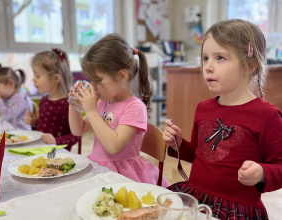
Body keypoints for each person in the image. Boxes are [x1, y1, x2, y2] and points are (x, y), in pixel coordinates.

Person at [163, 19, 282, 219]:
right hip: (196, 200)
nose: (208, 67)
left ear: (249, 65)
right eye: (205, 58)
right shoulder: (203, 108)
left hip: (236, 210)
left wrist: (261, 173)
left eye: (220, 58)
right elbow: (199, 155)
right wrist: (177, 143)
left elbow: (279, 166)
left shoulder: (268, 116)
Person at [69, 33, 169, 187]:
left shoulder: (135, 107)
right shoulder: (104, 102)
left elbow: (114, 146)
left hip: (123, 176)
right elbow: (78, 129)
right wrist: (74, 105)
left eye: (98, 79)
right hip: (100, 169)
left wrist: (91, 112)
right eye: (91, 79)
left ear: (122, 75)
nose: (93, 85)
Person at [25, 48, 80, 151]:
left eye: (37, 76)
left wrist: (55, 140)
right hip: (39, 150)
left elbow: (76, 135)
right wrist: (33, 124)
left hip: (58, 155)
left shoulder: (67, 105)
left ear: (55, 78)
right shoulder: (44, 100)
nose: (33, 79)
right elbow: (42, 129)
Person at [0, 64, 33, 130]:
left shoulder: (19, 98)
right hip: (12, 130)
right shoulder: (8, 97)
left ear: (11, 83)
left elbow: (7, 116)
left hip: (22, 132)